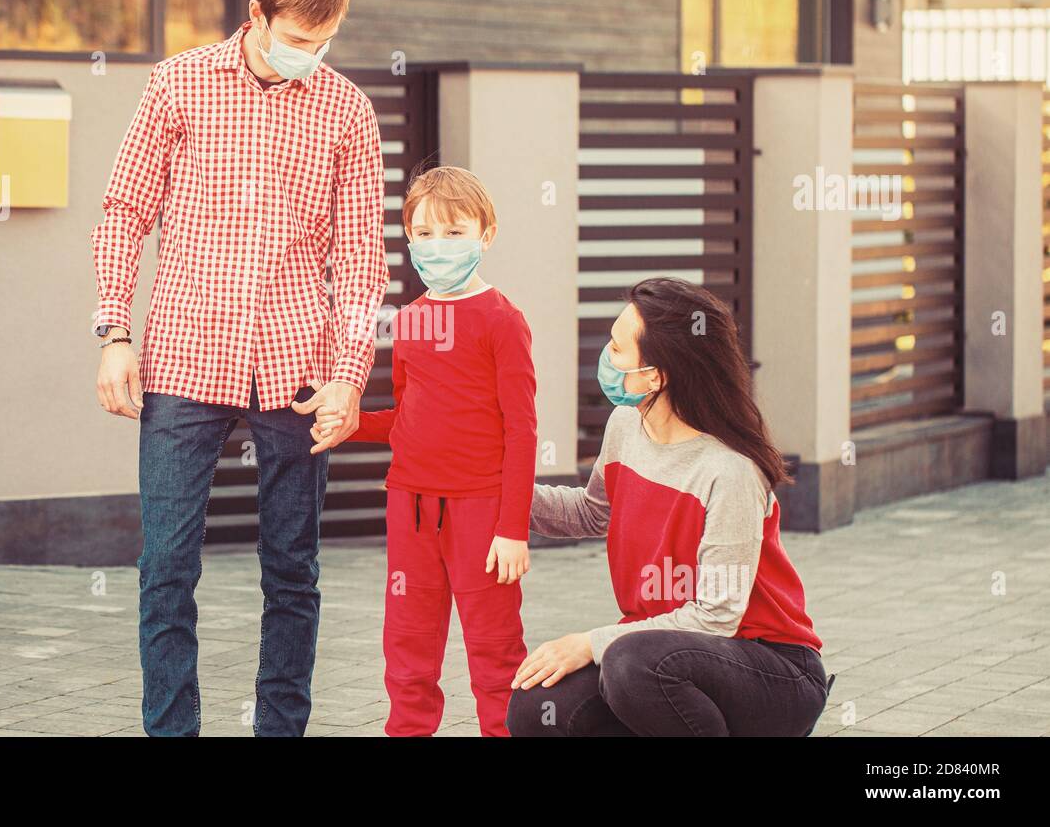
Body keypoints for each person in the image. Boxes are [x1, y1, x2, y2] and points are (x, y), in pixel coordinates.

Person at [89, 0, 387, 737]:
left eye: (325, 41)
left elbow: (362, 258)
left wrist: (351, 376)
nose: (311, 57)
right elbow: (125, 209)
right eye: (297, 39)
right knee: (167, 570)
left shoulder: (347, 110)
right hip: (184, 358)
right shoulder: (178, 83)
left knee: (293, 572)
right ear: (256, 17)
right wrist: (114, 329)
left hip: (298, 369)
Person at [505, 277, 832, 737]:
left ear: (656, 375)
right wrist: (499, 490)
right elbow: (592, 513)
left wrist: (589, 643)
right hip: (663, 662)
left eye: (617, 350)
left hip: (770, 671)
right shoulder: (626, 425)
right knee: (536, 705)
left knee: (629, 662)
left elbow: (718, 615)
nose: (605, 358)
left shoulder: (730, 471)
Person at [310, 167, 537, 736]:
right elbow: (407, 417)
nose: (439, 245)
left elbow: (523, 430)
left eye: (455, 232)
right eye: (425, 232)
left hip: (482, 514)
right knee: (408, 647)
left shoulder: (503, 322)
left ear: (487, 234)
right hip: (409, 508)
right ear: (408, 239)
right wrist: (347, 422)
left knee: (495, 650)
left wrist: (513, 528)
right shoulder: (409, 320)